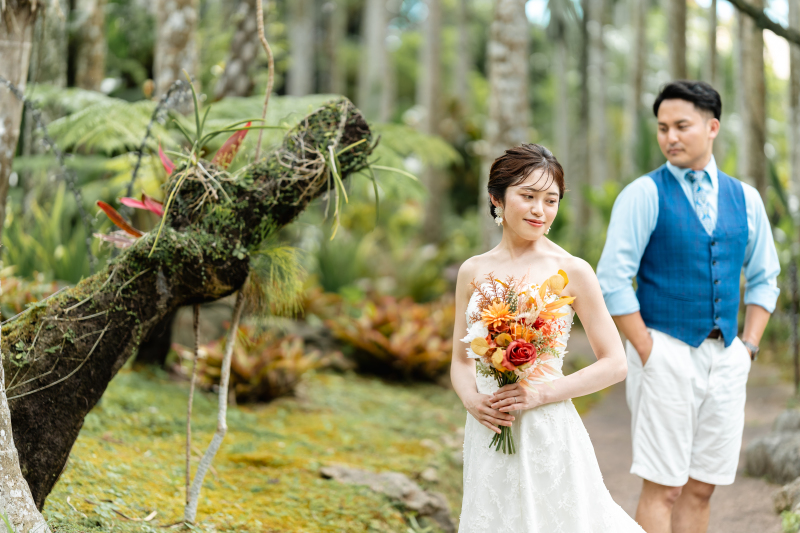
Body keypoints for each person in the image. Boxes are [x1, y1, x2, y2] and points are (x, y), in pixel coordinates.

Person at [596, 80, 780, 533]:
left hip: (728, 357)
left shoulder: (747, 199)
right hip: (664, 351)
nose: (670, 137)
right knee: (665, 487)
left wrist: (748, 349)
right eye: (662, 128)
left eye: (681, 126)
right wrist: (647, 349)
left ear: (712, 126)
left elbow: (764, 279)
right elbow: (612, 279)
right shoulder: (643, 194)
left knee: (701, 488)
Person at [450, 143, 645, 532]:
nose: (540, 209)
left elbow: (615, 364)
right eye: (528, 196)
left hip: (548, 430)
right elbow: (459, 360)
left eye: (550, 199)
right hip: (490, 430)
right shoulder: (472, 271)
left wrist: (539, 394)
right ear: (496, 199)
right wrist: (472, 399)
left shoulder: (573, 271)